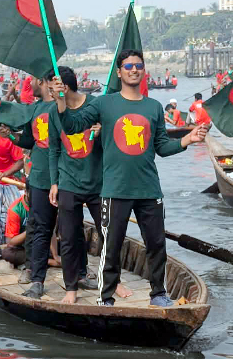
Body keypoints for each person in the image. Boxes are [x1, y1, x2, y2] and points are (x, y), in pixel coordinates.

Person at [56, 49, 209, 308]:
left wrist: (187, 140)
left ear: (144, 70)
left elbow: (162, 146)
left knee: (156, 244)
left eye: (138, 65)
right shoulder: (105, 103)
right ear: (119, 72)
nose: (134, 69)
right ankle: (106, 298)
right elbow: (73, 125)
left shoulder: (153, 107)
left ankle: (158, 294)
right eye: (128, 66)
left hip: (149, 188)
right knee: (111, 246)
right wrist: (61, 100)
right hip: (115, 188)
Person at [46, 66, 123, 305]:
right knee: (68, 238)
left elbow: (117, 139)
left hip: (99, 184)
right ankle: (71, 288)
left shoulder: (96, 106)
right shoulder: (53, 112)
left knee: (109, 234)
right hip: (69, 183)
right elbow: (54, 150)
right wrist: (54, 183)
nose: (50, 92)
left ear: (64, 88)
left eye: (53, 88)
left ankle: (115, 282)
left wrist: (103, 133)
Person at [13, 71, 57, 299]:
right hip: (39, 178)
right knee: (39, 228)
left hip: (64, 177)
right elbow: (29, 140)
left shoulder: (62, 107)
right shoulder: (36, 109)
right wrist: (10, 135)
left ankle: (79, 273)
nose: (29, 84)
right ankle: (36, 277)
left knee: (71, 229)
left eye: (32, 79)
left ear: (43, 81)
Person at [2, 184, 31, 268]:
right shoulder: (15, 209)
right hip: (23, 247)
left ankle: (35, 260)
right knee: (8, 253)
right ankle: (49, 261)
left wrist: (55, 255)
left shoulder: (44, 203)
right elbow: (11, 241)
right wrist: (30, 229)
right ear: (26, 192)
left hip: (42, 244)